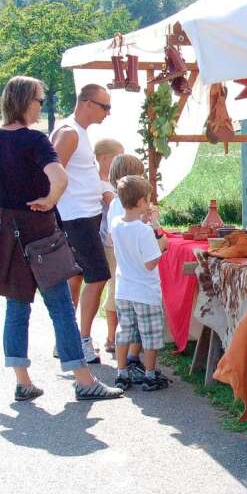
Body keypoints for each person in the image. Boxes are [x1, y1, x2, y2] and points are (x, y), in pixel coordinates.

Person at [0, 76, 122, 402]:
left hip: (5, 228)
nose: (43, 105)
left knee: (17, 304)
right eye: (40, 100)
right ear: (27, 101)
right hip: (38, 230)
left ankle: (22, 380)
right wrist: (49, 198)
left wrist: (11, 185)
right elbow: (59, 177)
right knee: (60, 307)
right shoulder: (36, 140)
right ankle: (83, 380)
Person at [51, 84, 113, 364]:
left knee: (75, 277)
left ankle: (67, 339)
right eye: (105, 106)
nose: (107, 113)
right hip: (75, 217)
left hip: (82, 214)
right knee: (97, 276)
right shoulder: (69, 132)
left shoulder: (78, 132)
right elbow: (53, 172)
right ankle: (82, 340)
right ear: (87, 103)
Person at [109, 175, 170, 392]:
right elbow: (150, 263)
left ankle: (121, 371)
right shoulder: (144, 232)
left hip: (124, 289)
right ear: (142, 202)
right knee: (150, 334)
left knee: (125, 331)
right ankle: (150, 374)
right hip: (145, 291)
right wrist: (161, 244)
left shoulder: (116, 224)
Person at [103, 153, 149, 380]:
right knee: (133, 312)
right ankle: (132, 357)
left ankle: (125, 358)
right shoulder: (120, 206)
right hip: (130, 265)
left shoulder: (115, 203)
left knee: (123, 305)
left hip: (124, 262)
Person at [94, 138, 125, 354]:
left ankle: (113, 335)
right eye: (117, 157)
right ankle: (112, 337)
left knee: (110, 286)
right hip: (109, 241)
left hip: (106, 239)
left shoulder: (102, 181)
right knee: (115, 287)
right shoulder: (103, 185)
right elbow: (115, 204)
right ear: (104, 158)